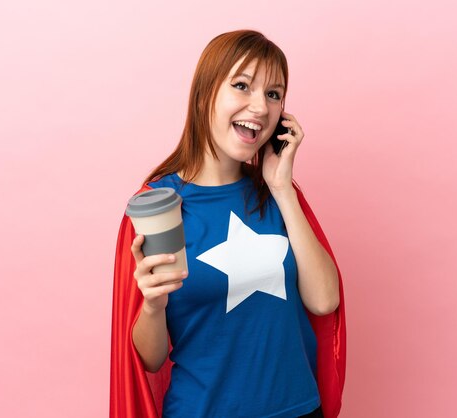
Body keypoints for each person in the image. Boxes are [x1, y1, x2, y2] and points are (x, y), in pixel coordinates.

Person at [110, 29, 346, 418]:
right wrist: (152, 304)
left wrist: (282, 188)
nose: (260, 106)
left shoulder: (278, 194)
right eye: (242, 86)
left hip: (300, 409)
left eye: (273, 94)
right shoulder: (158, 206)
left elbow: (325, 301)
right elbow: (149, 362)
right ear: (205, 95)